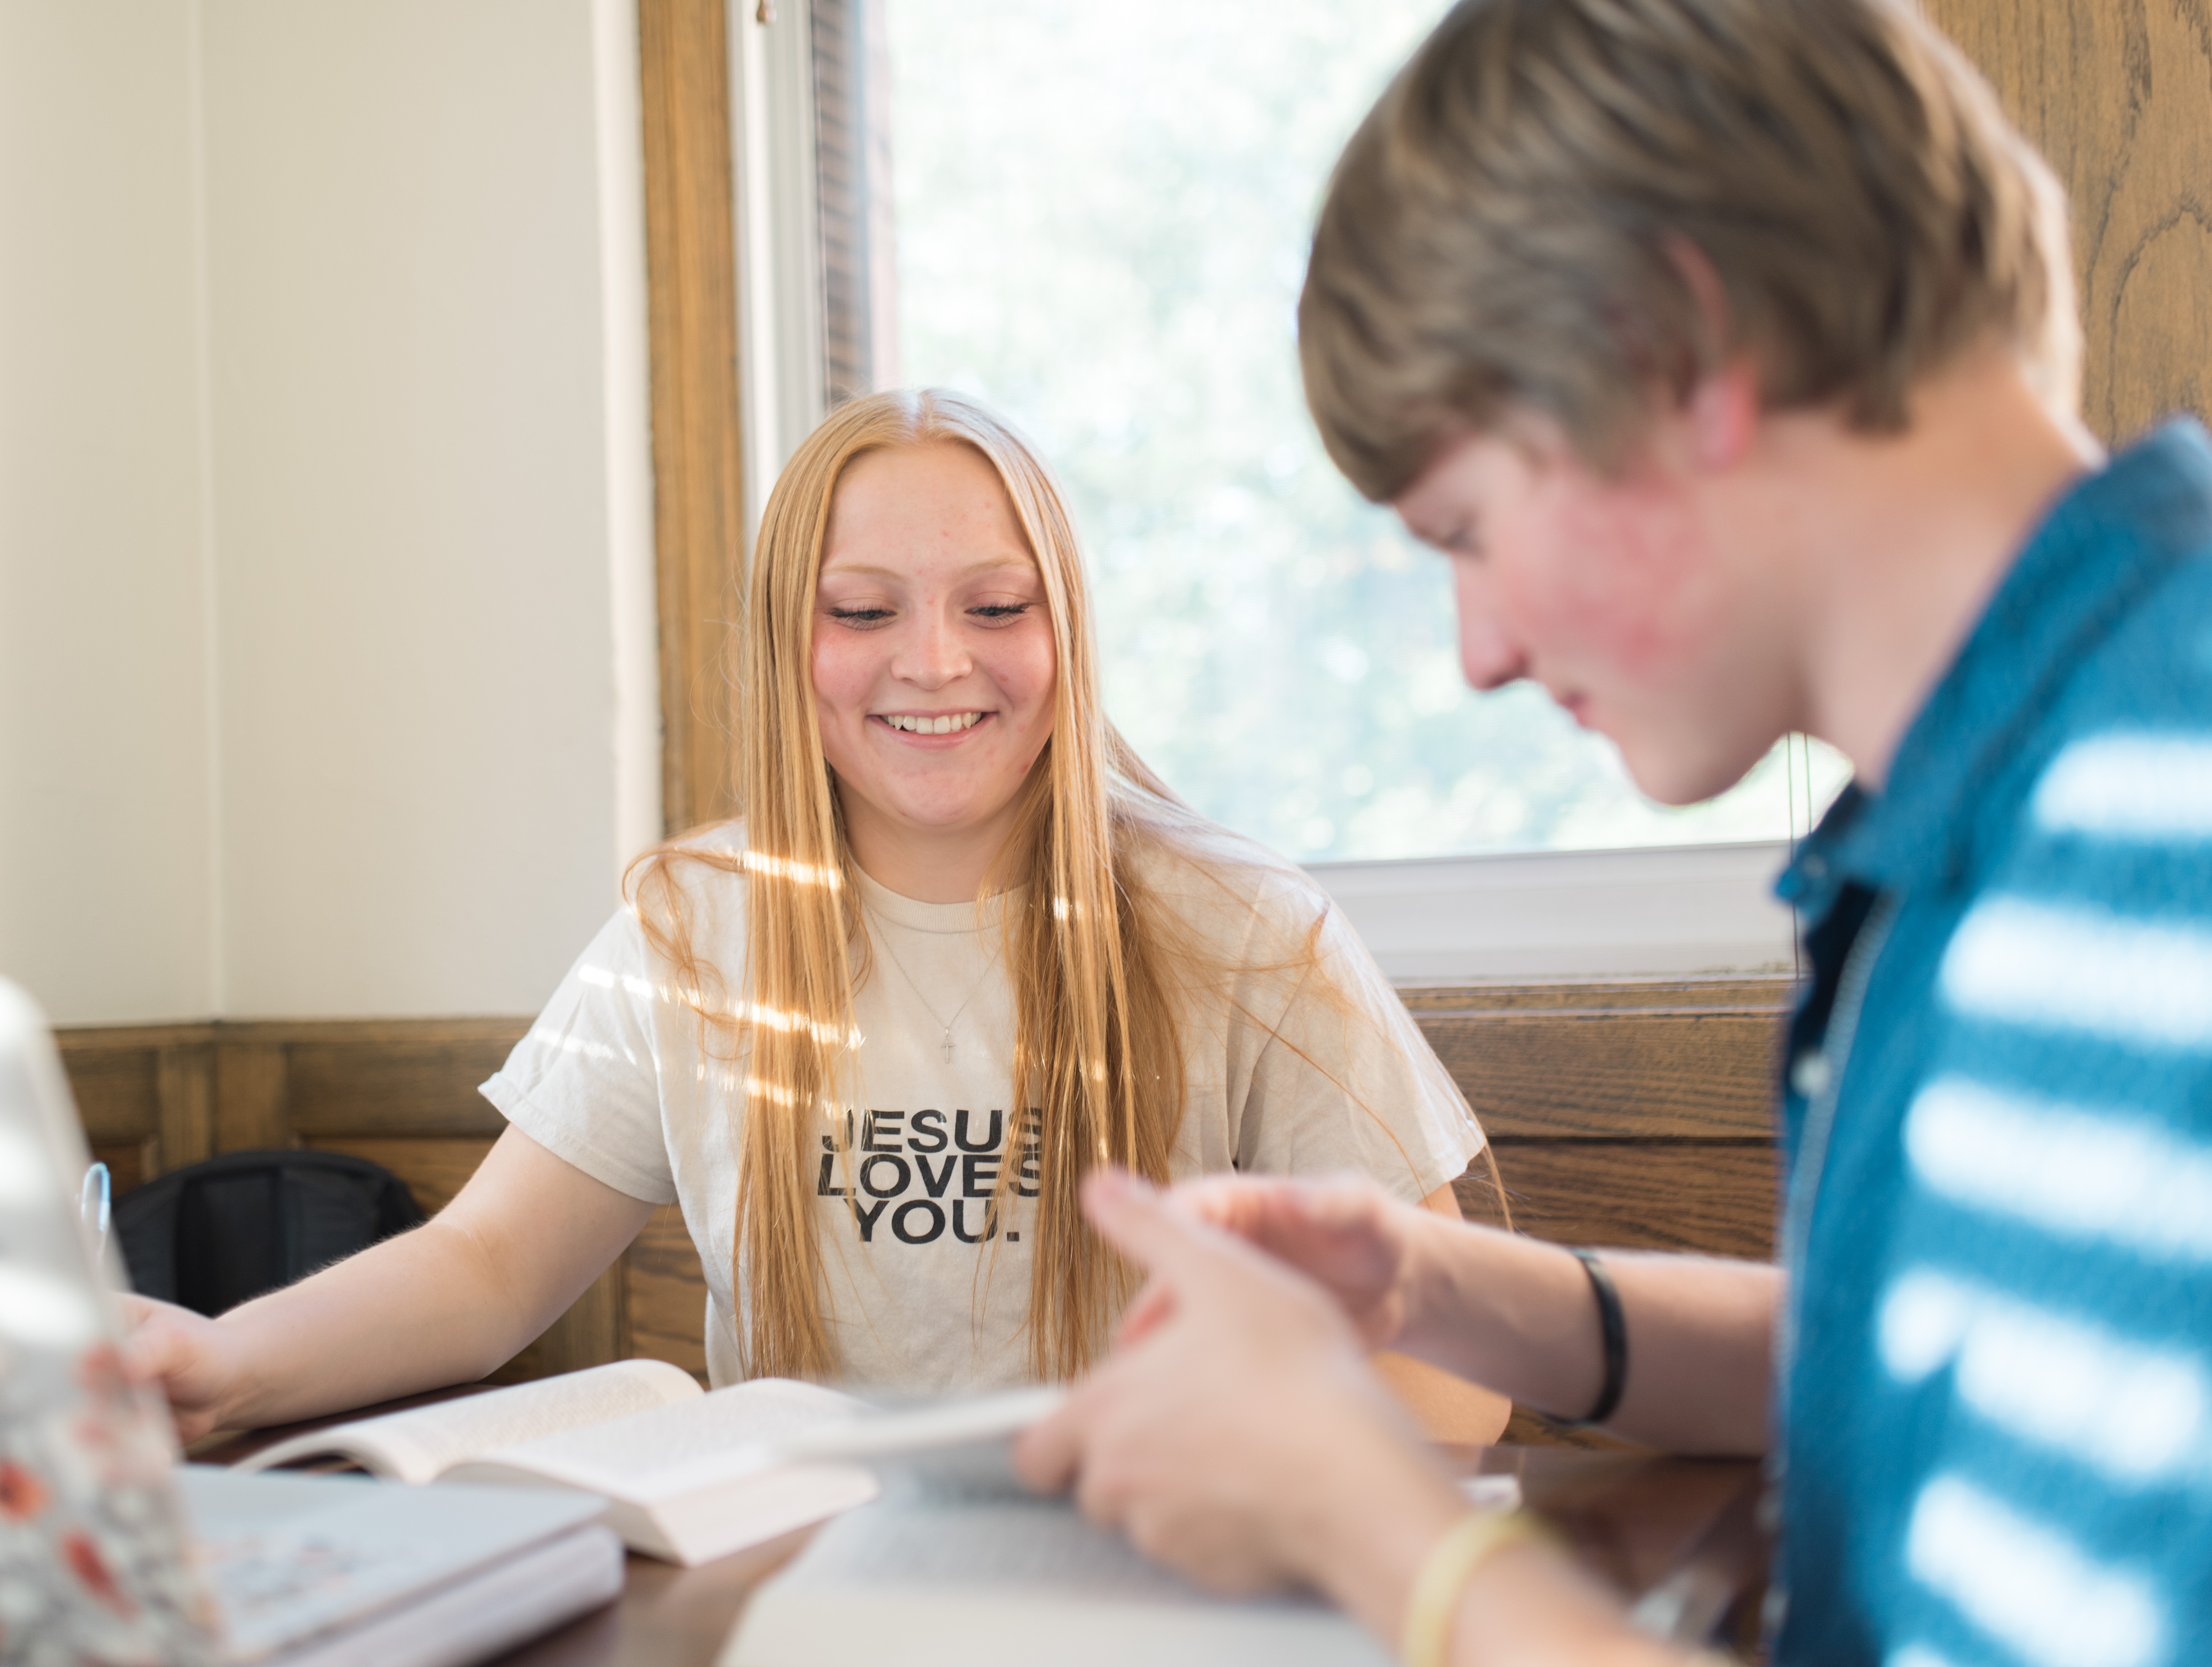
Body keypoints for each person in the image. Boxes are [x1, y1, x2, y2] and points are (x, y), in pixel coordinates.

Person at [1018, 1, 2212, 1663]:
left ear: (1671, 354)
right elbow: (1939, 1358)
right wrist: (1436, 1291)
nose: (1478, 650)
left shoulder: (2145, 839)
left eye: (1469, 529)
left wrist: (1378, 1531)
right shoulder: (2022, 785)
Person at [122, 389, 1507, 1442]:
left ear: (1065, 628)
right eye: (862, 610)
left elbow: (1456, 1386)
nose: (932, 661)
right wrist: (221, 1364)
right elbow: (484, 1267)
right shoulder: (693, 927)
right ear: (793, 638)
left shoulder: (1245, 924)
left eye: (996, 604)